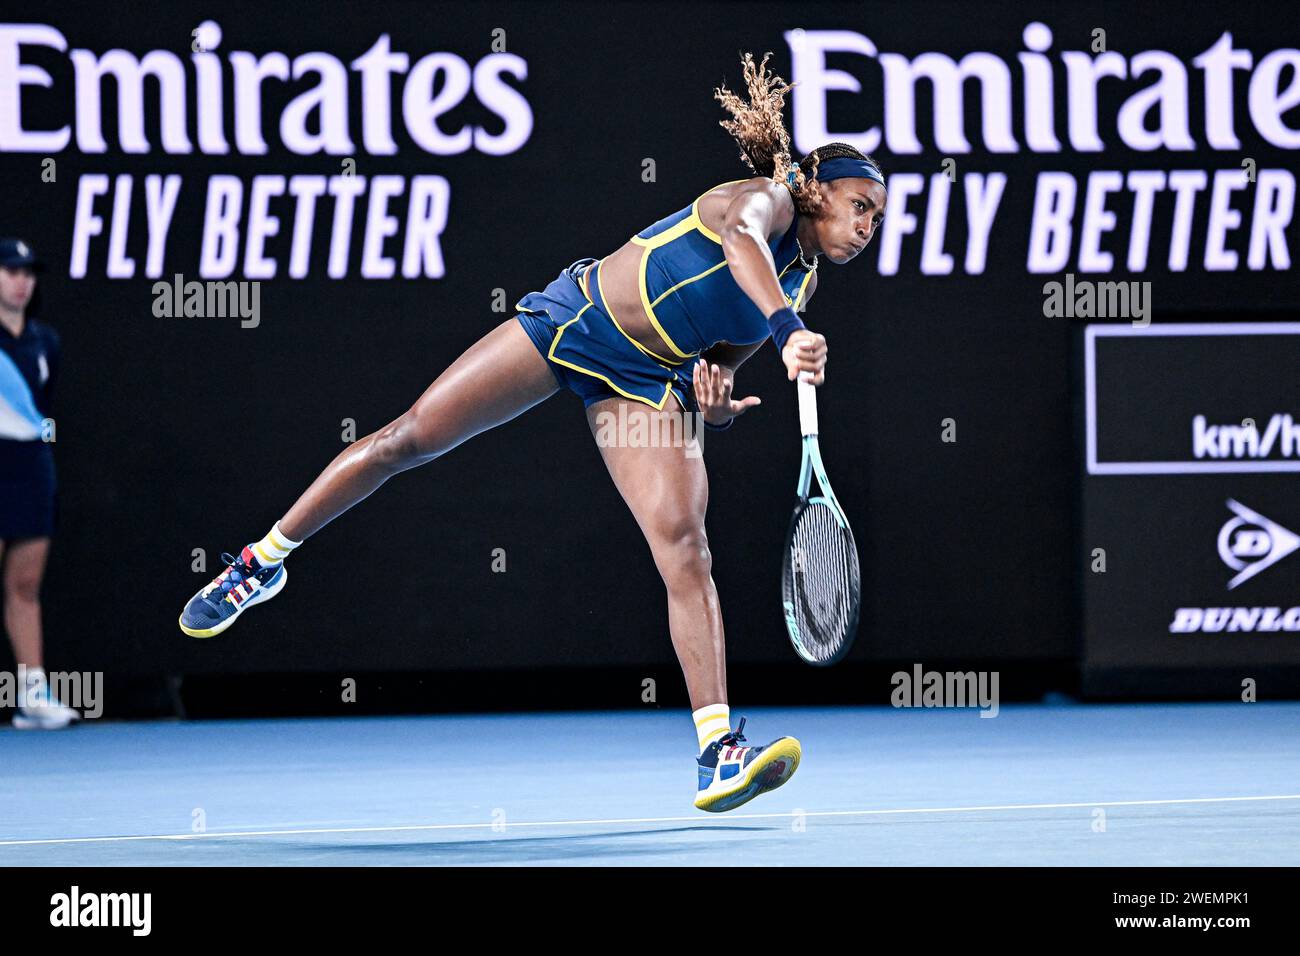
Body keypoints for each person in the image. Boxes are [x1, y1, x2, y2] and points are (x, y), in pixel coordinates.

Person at [179, 52, 887, 811]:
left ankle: (717, 750)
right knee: (407, 438)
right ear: (813, 191)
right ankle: (262, 561)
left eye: (877, 217)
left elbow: (718, 357)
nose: (867, 226)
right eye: (858, 205)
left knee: (685, 543)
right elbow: (743, 248)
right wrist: (787, 331)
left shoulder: (803, 278)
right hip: (575, 325)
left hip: (643, 386)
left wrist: (713, 393)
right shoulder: (758, 202)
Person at [0, 237, 79, 730]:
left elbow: (40, 410)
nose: (22, 281)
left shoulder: (46, 341)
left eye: (28, 272)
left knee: (25, 585)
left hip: (30, 467)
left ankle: (32, 696)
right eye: (11, 271)